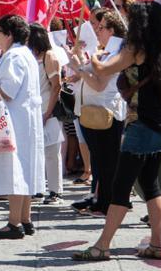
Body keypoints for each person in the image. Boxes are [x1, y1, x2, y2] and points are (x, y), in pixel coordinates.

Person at [73, 2, 161, 261]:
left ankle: (102, 245)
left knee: (121, 187)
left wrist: (92, 53)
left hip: (141, 126)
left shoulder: (136, 48)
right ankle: (157, 244)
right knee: (151, 185)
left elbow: (103, 69)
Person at [0, 15, 45, 239]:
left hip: (15, 121)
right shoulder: (25, 54)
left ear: (9, 34)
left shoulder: (13, 56)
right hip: (25, 119)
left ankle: (14, 224)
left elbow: (7, 92)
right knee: (26, 167)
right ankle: (25, 218)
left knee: (17, 169)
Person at [67, 12, 127, 215]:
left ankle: (107, 203)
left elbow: (100, 85)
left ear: (112, 31)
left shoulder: (116, 52)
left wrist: (79, 68)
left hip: (106, 112)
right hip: (96, 111)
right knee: (101, 161)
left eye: (101, 28)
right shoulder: (108, 51)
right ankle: (100, 199)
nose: (97, 31)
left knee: (107, 161)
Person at [27, 23, 65, 205]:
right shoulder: (33, 57)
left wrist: (48, 112)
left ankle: (56, 191)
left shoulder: (49, 56)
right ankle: (38, 188)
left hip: (47, 110)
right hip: (35, 110)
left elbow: (56, 86)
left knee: (51, 152)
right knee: (36, 152)